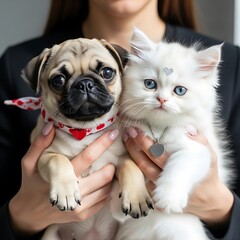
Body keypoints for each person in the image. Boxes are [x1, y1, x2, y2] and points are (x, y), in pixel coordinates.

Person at [0, 0, 239, 239]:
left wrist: (220, 206)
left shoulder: (226, 64)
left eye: (105, 74)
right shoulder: (18, 63)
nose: (86, 88)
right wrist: (22, 216)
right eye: (60, 82)